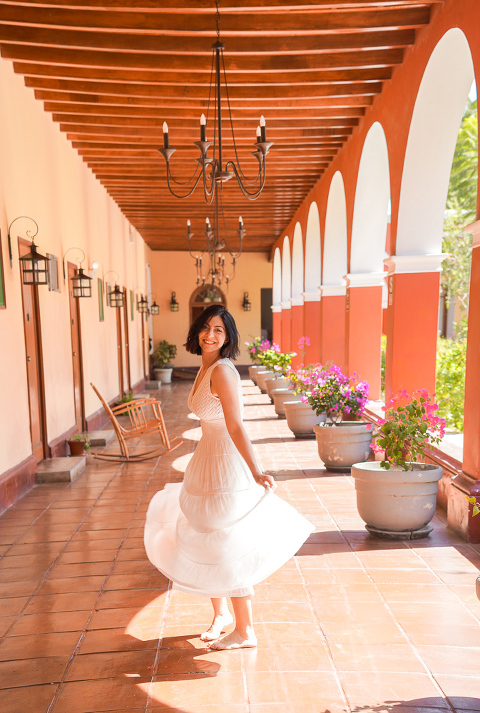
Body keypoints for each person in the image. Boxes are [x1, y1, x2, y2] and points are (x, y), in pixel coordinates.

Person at [144, 305, 314, 650]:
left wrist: (255, 470)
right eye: (206, 328)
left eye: (219, 330)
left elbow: (236, 425)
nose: (211, 335)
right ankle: (221, 615)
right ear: (197, 332)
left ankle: (245, 630)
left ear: (228, 336)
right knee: (206, 533)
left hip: (225, 462)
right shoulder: (204, 367)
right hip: (206, 457)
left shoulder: (222, 371)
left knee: (226, 541)